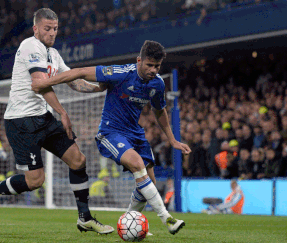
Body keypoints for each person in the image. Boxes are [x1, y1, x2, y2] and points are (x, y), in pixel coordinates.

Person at [31, 40, 191, 235]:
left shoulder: (157, 83)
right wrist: (45, 82)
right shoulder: (120, 73)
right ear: (139, 60)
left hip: (136, 134)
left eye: (157, 66)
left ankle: (128, 223)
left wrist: (173, 140)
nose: (153, 70)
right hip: (111, 132)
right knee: (138, 164)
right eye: (149, 65)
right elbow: (80, 72)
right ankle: (168, 219)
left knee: (148, 183)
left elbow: (160, 111)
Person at [0, 8, 113, 235]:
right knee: (35, 181)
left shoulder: (54, 54)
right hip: (21, 121)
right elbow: (39, 85)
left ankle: (85, 218)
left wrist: (99, 88)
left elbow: (73, 81)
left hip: (43, 118)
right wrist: (62, 112)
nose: (52, 33)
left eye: (55, 29)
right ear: (36, 29)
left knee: (78, 161)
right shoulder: (30, 45)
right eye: (47, 29)